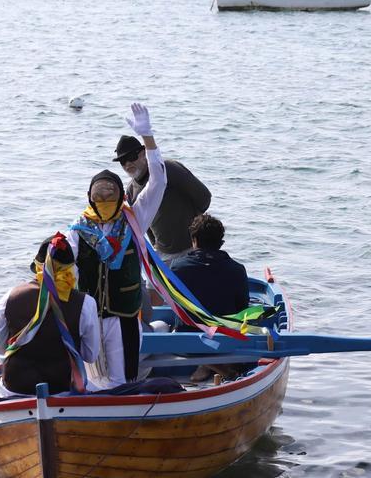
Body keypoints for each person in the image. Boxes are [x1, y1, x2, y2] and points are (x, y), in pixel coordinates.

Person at [66, 103, 167, 390]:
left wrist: (147, 137)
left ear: (122, 194)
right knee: (93, 378)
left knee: (122, 379)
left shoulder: (135, 219)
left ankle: (122, 416)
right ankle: (93, 420)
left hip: (123, 317)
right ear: (90, 198)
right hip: (90, 316)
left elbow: (159, 180)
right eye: (99, 195)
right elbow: (62, 259)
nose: (105, 199)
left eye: (111, 193)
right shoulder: (80, 227)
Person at [0, 233, 100, 397]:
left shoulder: (10, 297)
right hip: (60, 390)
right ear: (71, 269)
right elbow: (90, 356)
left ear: (37, 267)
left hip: (13, 389)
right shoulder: (86, 303)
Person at [169, 213, 249, 381]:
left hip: (186, 344)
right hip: (225, 342)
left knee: (161, 324)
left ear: (194, 240)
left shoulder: (177, 267)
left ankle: (207, 365)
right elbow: (243, 307)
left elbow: (173, 304)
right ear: (221, 243)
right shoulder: (237, 269)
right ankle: (212, 365)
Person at [114, 133, 211, 265]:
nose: (127, 164)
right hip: (162, 253)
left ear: (143, 153)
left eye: (131, 157)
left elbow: (204, 198)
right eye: (122, 161)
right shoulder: (131, 190)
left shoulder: (168, 169)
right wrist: (155, 246)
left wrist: (196, 231)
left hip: (193, 247)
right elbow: (143, 224)